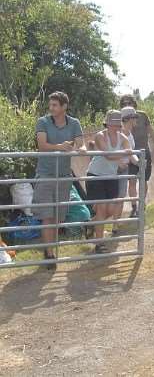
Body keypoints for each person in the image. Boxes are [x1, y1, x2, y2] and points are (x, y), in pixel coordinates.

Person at [33, 91, 86, 269]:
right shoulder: (43, 121)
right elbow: (42, 146)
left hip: (63, 176)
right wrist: (60, 147)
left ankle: (50, 250)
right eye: (51, 104)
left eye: (55, 105)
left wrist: (83, 148)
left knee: (57, 218)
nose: (51, 108)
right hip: (46, 175)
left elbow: (81, 143)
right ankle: (49, 253)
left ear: (64, 107)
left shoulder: (74, 123)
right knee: (47, 216)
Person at [85, 110, 133, 253]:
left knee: (111, 209)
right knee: (101, 209)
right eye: (112, 124)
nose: (115, 127)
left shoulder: (123, 137)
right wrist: (121, 159)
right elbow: (108, 155)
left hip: (111, 177)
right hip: (96, 175)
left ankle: (90, 224)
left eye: (118, 124)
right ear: (107, 124)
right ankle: (99, 244)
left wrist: (138, 160)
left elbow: (130, 152)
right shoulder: (100, 136)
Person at [119, 94, 152, 217]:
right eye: (124, 103)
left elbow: (150, 129)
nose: (127, 105)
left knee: (144, 180)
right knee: (132, 181)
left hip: (144, 151)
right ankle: (134, 207)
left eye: (129, 102)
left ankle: (142, 203)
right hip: (129, 154)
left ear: (134, 103)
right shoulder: (119, 118)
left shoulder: (142, 115)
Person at [112, 106, 139, 234]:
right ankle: (93, 224)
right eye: (134, 117)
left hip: (123, 170)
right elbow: (107, 152)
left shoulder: (130, 135)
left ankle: (115, 227)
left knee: (120, 198)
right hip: (111, 170)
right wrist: (117, 163)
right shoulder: (117, 133)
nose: (136, 120)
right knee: (107, 200)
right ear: (129, 119)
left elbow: (130, 153)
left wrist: (139, 162)